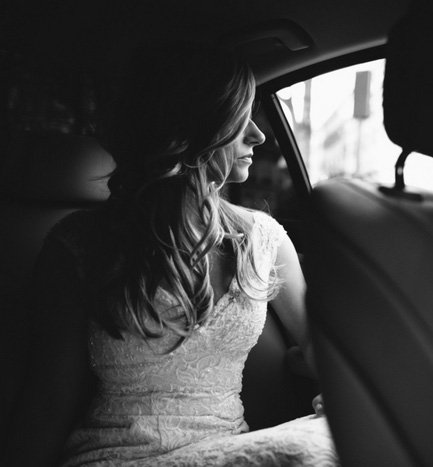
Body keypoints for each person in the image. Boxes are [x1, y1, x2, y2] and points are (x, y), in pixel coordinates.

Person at [2, 42, 338, 467]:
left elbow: (322, 344)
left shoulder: (264, 239)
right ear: (199, 126)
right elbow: (49, 399)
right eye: (241, 118)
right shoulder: (78, 247)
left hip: (227, 454)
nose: (259, 134)